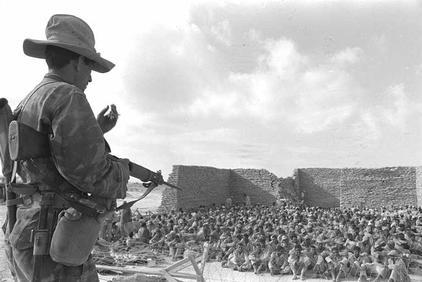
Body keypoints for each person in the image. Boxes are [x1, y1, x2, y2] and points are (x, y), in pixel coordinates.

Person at [4, 14, 130, 281]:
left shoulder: (30, 99)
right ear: (76, 61)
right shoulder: (68, 95)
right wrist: (123, 171)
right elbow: (90, 174)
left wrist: (95, 130)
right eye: (89, 68)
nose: (91, 78)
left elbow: (45, 160)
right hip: (53, 241)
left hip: (27, 233)